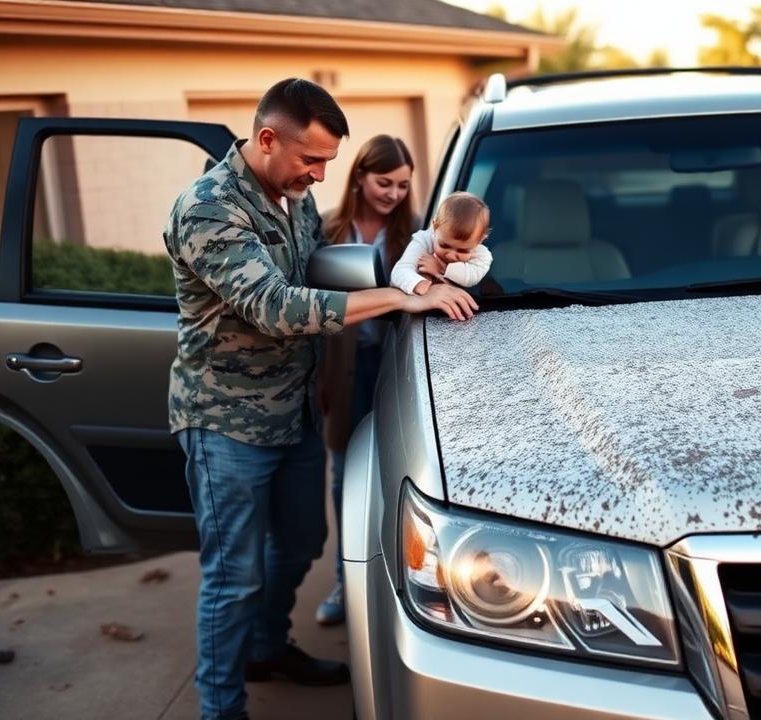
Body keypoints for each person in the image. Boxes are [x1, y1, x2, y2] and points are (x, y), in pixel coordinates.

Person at [163, 77, 476, 720]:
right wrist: (399, 299)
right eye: (311, 159)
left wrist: (420, 271)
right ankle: (221, 708)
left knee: (303, 543)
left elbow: (319, 268)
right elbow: (276, 307)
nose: (320, 174)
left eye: (329, 161)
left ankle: (266, 647)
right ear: (267, 138)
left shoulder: (294, 196)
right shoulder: (208, 209)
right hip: (226, 422)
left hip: (296, 411)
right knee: (234, 576)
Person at [314, 135, 417, 626]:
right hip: (343, 371)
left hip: (399, 367)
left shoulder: (416, 235)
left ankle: (402, 583)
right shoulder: (327, 230)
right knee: (345, 476)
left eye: (403, 185)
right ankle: (346, 583)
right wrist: (318, 376)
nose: (394, 194)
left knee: (401, 475)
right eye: (384, 182)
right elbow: (307, 305)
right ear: (359, 176)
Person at [389, 191, 493, 296]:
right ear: (434, 227)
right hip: (417, 301)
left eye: (462, 251)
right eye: (444, 246)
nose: (451, 256)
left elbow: (471, 277)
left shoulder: (482, 255)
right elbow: (400, 271)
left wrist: (441, 269)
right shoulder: (424, 240)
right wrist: (418, 284)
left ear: (480, 241)